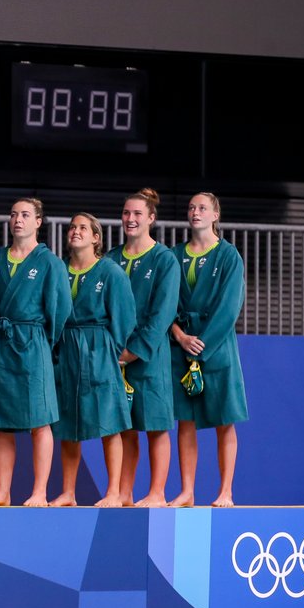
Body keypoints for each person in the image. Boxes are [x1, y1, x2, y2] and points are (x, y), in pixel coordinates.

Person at [0, 198, 71, 507]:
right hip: (1, 345)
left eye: (25, 215)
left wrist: (41, 340)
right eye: (14, 213)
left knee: (39, 420)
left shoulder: (50, 263)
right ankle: (3, 492)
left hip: (33, 344)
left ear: (38, 222)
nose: (18, 219)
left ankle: (39, 492)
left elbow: (59, 311)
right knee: (3, 422)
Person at [51, 213, 136, 507]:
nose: (75, 231)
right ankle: (68, 492)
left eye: (83, 228)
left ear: (96, 238)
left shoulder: (110, 272)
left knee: (108, 422)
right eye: (72, 227)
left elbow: (125, 318)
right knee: (67, 424)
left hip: (98, 350)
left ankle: (113, 492)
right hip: (67, 350)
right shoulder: (58, 269)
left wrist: (107, 350)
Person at [170, 192, 248, 507]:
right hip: (182, 345)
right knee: (185, 421)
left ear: (215, 214)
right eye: (191, 207)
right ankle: (187, 491)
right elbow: (165, 304)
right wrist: (178, 335)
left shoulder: (229, 256)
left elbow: (230, 308)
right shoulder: (174, 255)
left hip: (216, 348)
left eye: (202, 207)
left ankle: (226, 491)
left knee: (223, 419)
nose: (195, 212)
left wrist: (199, 346)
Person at [111, 189, 181, 507]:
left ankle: (157, 493)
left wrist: (135, 350)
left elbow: (164, 312)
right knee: (124, 428)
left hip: (148, 357)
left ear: (151, 218)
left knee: (154, 425)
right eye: (126, 213)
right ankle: (123, 492)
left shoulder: (164, 259)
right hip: (114, 355)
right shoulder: (111, 258)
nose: (131, 219)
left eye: (138, 213)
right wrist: (113, 349)